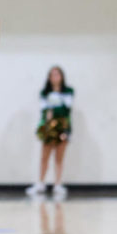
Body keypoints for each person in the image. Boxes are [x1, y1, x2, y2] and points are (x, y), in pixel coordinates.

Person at [27, 66, 73, 198]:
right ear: (49, 78)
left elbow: (66, 110)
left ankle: (57, 184)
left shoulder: (68, 91)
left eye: (57, 74)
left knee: (59, 157)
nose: (55, 77)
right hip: (48, 128)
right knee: (44, 157)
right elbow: (45, 110)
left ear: (62, 77)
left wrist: (55, 109)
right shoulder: (44, 92)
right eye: (52, 75)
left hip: (63, 127)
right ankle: (40, 183)